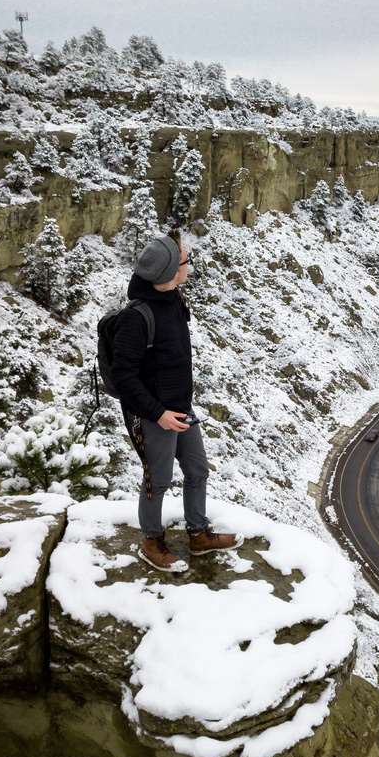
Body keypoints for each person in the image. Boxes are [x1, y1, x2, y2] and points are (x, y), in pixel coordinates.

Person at [111, 231, 240, 572]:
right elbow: (125, 379)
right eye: (185, 260)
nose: (189, 263)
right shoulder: (136, 318)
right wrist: (158, 413)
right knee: (159, 478)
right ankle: (151, 542)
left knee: (197, 469)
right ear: (169, 272)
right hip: (153, 414)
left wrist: (178, 406)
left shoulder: (174, 300)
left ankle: (198, 534)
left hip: (181, 407)